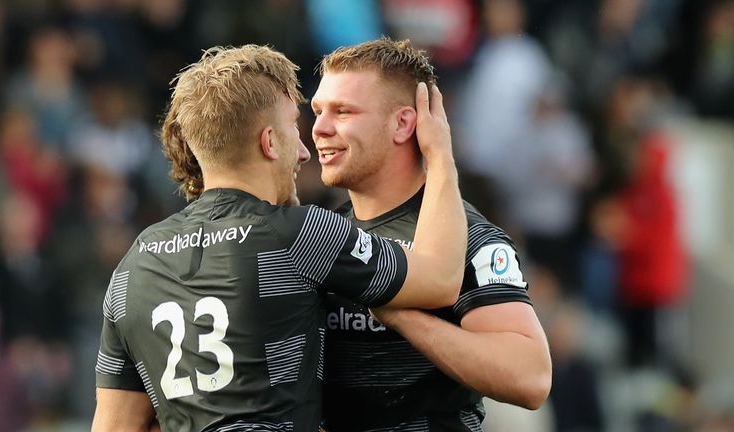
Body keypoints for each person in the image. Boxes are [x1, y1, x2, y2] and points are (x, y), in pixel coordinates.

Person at [91, 44, 467, 432]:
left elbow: (114, 425)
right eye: (294, 128)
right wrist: (439, 155)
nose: (305, 151)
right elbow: (441, 279)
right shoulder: (299, 232)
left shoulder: (133, 264)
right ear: (269, 143)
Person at [311, 38, 552, 431]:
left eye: (343, 111)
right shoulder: (319, 233)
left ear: (403, 123)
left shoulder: (467, 237)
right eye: (318, 111)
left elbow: (531, 378)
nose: (320, 128)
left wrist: (400, 313)